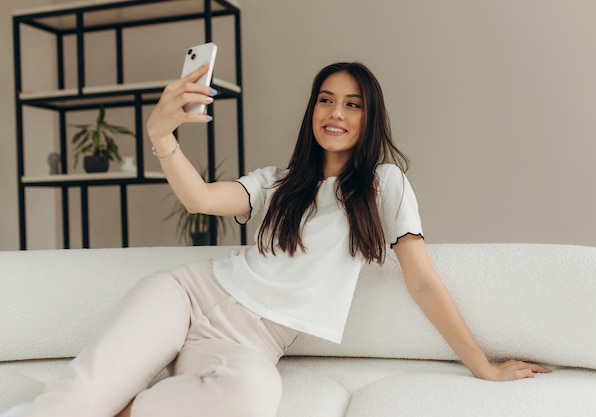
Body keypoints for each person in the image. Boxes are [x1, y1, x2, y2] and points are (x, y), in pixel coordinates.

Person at [3, 62, 550, 417]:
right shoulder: (275, 183)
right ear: (312, 109)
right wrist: (160, 134)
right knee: (72, 404)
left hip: (246, 346)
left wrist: (483, 365)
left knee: (253, 397)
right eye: (325, 99)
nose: (335, 112)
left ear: (369, 116)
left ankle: (127, 410)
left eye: (352, 104)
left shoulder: (385, 183)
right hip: (187, 296)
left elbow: (423, 282)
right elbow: (198, 198)